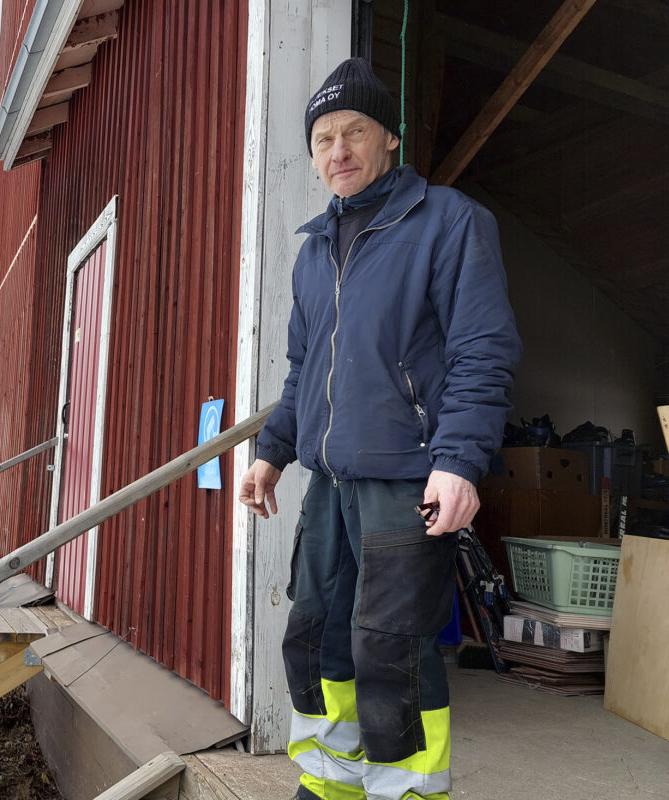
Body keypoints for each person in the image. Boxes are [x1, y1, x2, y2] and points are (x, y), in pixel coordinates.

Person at [238, 58, 521, 800]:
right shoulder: (313, 251)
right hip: (331, 482)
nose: (339, 150)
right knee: (316, 637)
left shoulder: (449, 222)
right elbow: (305, 370)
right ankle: (334, 784)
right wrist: (271, 452)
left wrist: (459, 462)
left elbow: (481, 350)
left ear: (388, 137)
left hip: (406, 476)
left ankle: (410, 793)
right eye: (324, 138)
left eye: (354, 131)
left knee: (390, 649)